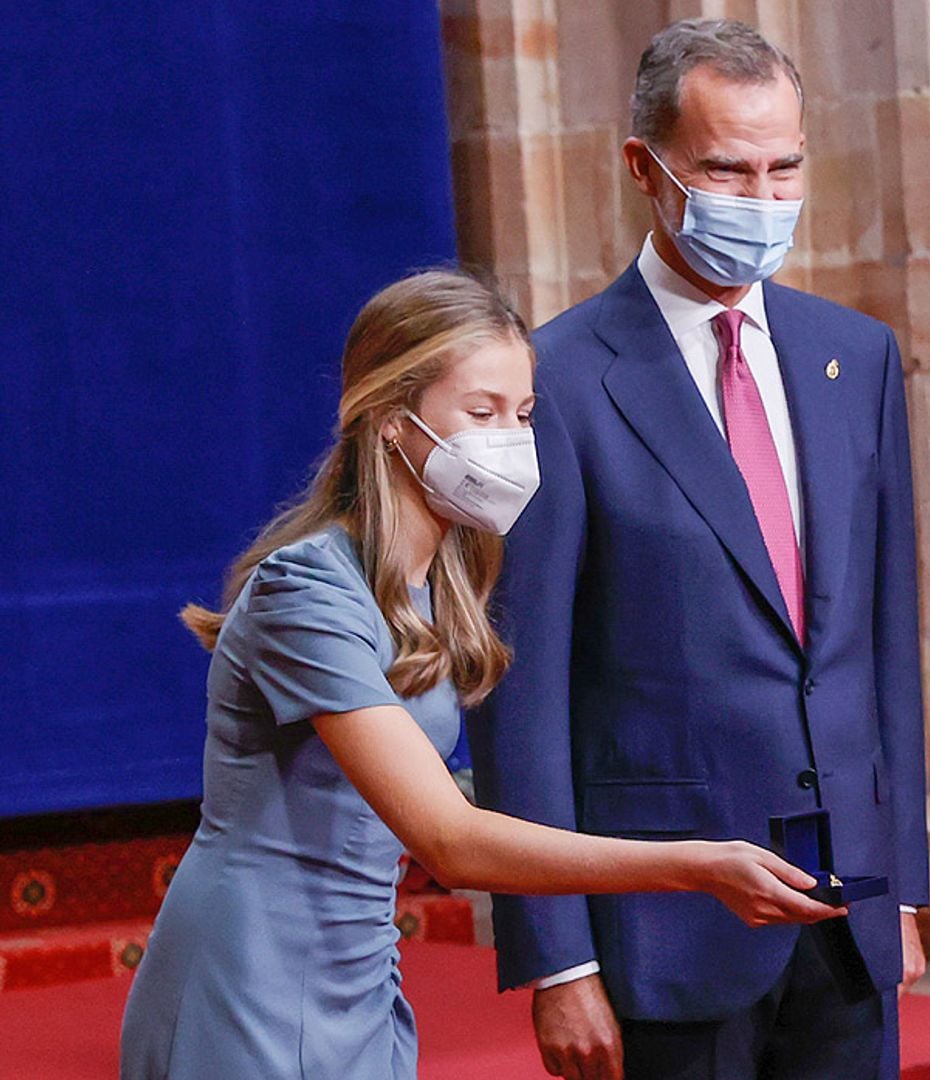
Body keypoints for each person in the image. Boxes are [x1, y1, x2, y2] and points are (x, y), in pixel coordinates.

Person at [118, 271, 842, 1080]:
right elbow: (448, 843)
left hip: (358, 966)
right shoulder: (306, 592)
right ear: (393, 424)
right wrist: (695, 864)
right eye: (481, 413)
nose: (511, 440)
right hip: (253, 968)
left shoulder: (434, 587)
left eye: (524, 415)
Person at [466, 18, 928, 1080]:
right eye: (726, 170)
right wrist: (557, 961)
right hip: (663, 936)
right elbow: (522, 689)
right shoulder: (563, 379)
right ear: (646, 167)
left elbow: (884, 639)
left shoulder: (855, 358)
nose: (763, 201)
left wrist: (900, 885)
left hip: (847, 917)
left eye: (784, 169)